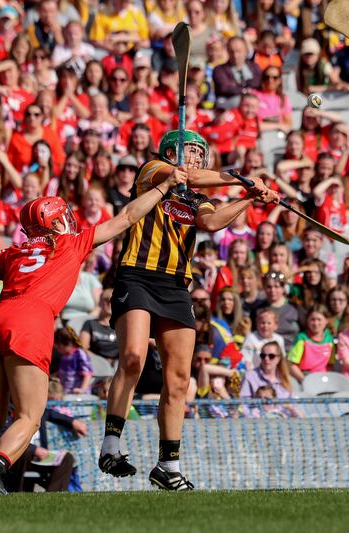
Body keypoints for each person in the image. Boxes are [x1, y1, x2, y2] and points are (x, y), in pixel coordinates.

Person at [0, 166, 189, 495]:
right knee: (29, 417)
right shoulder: (71, 244)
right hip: (31, 323)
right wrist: (164, 187)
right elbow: (125, 217)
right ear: (56, 220)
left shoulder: (14, 252)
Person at [101, 129, 276, 491]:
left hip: (176, 286)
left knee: (179, 379)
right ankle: (111, 445)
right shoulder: (152, 171)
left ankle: (168, 465)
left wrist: (249, 198)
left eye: (200, 153)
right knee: (132, 357)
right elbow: (191, 175)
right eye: (189, 151)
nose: (195, 158)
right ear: (170, 152)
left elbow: (211, 223)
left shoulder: (197, 200)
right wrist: (241, 178)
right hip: (137, 276)